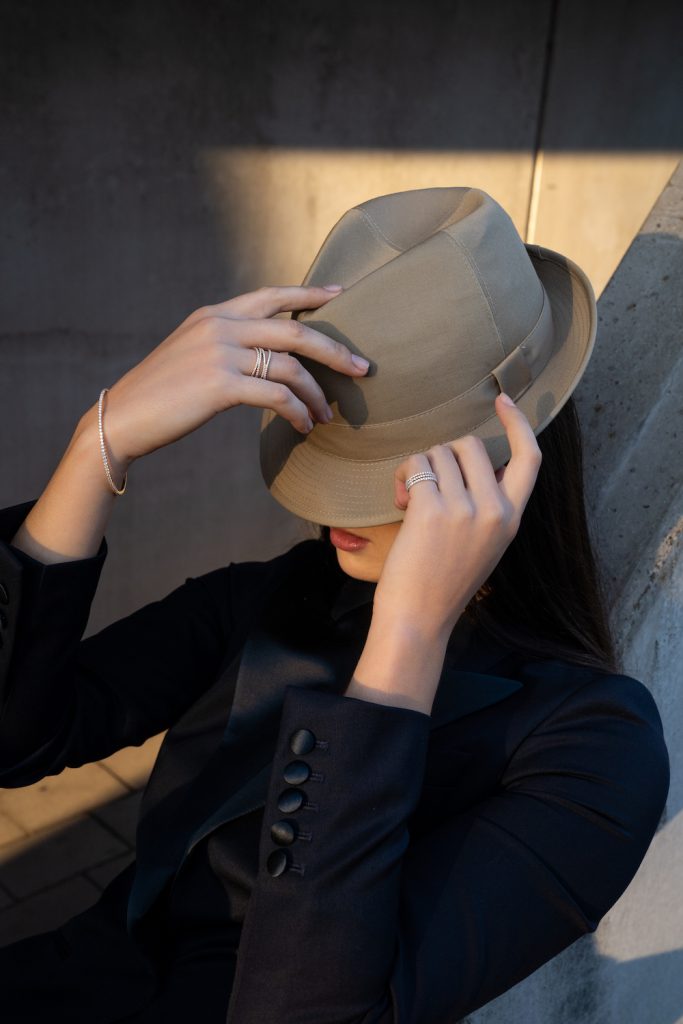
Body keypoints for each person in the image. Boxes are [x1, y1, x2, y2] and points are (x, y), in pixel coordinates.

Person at [0, 188, 670, 1023]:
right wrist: (97, 445)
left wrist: (408, 640)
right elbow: (19, 737)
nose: (333, 511)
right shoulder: (278, 596)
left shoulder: (594, 745)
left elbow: (308, 1008)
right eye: (330, 449)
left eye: (378, 469)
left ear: (511, 461)